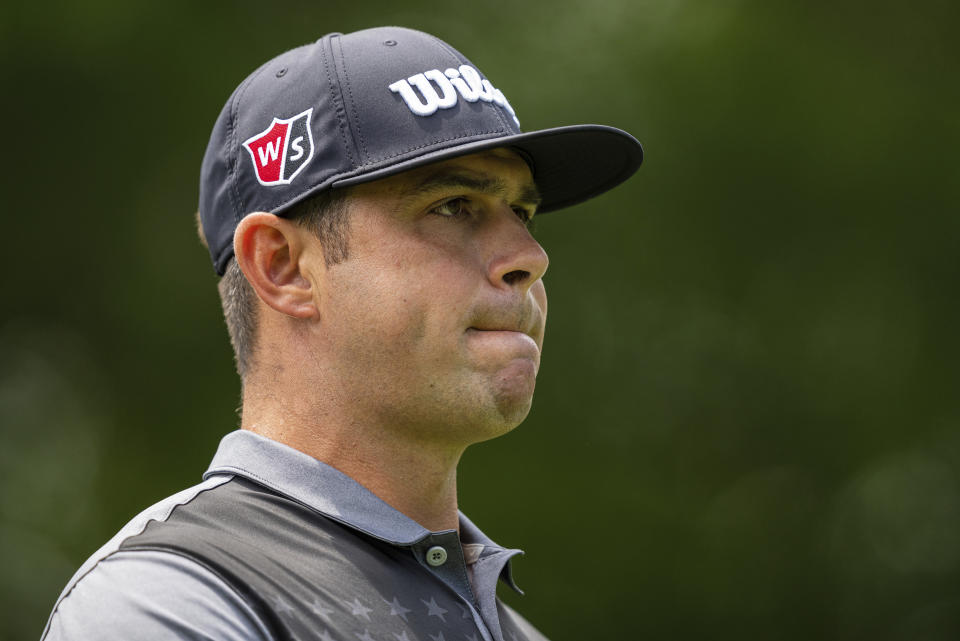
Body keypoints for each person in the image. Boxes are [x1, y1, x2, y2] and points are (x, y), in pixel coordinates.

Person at [41, 26, 642, 641]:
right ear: (283, 266)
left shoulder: (513, 631)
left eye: (522, 212)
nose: (530, 255)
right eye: (453, 205)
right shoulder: (169, 600)